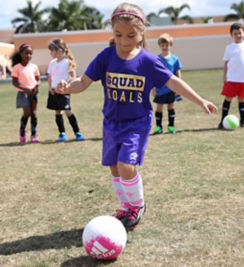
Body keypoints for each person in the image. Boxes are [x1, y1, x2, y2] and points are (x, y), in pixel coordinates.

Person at [56, 2, 217, 231]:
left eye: (131, 35)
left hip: (137, 123)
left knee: (125, 165)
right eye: (118, 35)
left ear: (142, 34)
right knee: (113, 166)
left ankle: (138, 205)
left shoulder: (148, 61)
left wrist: (200, 100)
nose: (123, 41)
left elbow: (173, 81)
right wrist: (66, 87)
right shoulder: (106, 56)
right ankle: (126, 206)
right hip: (111, 122)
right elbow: (82, 82)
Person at [218, 22, 244, 129]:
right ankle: (222, 122)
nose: (238, 35)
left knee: (242, 99)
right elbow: (226, 63)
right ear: (231, 35)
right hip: (232, 78)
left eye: (240, 33)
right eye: (235, 33)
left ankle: (243, 121)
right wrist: (224, 76)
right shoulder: (229, 48)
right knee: (228, 98)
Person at [47, 38, 85, 142]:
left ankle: (77, 132)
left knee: (67, 111)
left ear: (59, 50)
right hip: (54, 92)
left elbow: (73, 77)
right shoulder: (52, 63)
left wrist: (65, 84)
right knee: (58, 112)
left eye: (52, 50)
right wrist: (50, 88)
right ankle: (62, 133)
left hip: (64, 91)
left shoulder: (67, 62)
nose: (50, 53)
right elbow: (50, 77)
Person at [152, 33, 183, 135]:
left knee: (171, 107)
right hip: (160, 88)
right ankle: (158, 127)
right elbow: (153, 74)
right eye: (163, 45)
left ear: (171, 45)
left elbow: (178, 73)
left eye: (167, 45)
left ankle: (171, 127)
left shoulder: (175, 59)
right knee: (159, 108)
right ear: (160, 46)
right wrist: (153, 88)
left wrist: (178, 88)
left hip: (171, 89)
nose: (165, 47)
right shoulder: (156, 59)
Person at [11, 43, 40, 143]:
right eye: (26, 53)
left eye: (30, 53)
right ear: (21, 53)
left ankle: (34, 135)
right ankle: (22, 131)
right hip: (23, 93)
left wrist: (36, 86)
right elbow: (14, 82)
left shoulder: (34, 67)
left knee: (34, 114)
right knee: (27, 113)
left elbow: (38, 79)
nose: (28, 56)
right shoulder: (17, 67)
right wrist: (25, 89)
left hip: (34, 93)